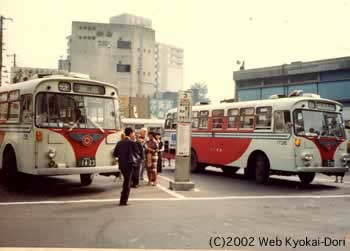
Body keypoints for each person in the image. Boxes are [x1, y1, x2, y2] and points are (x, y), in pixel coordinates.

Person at [113, 127, 139, 206]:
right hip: (129, 164)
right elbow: (137, 151)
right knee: (127, 183)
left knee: (126, 181)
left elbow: (115, 154)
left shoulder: (119, 142)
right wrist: (134, 142)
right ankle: (123, 201)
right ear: (131, 133)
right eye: (133, 133)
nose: (134, 134)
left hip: (122, 165)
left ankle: (123, 198)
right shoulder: (131, 142)